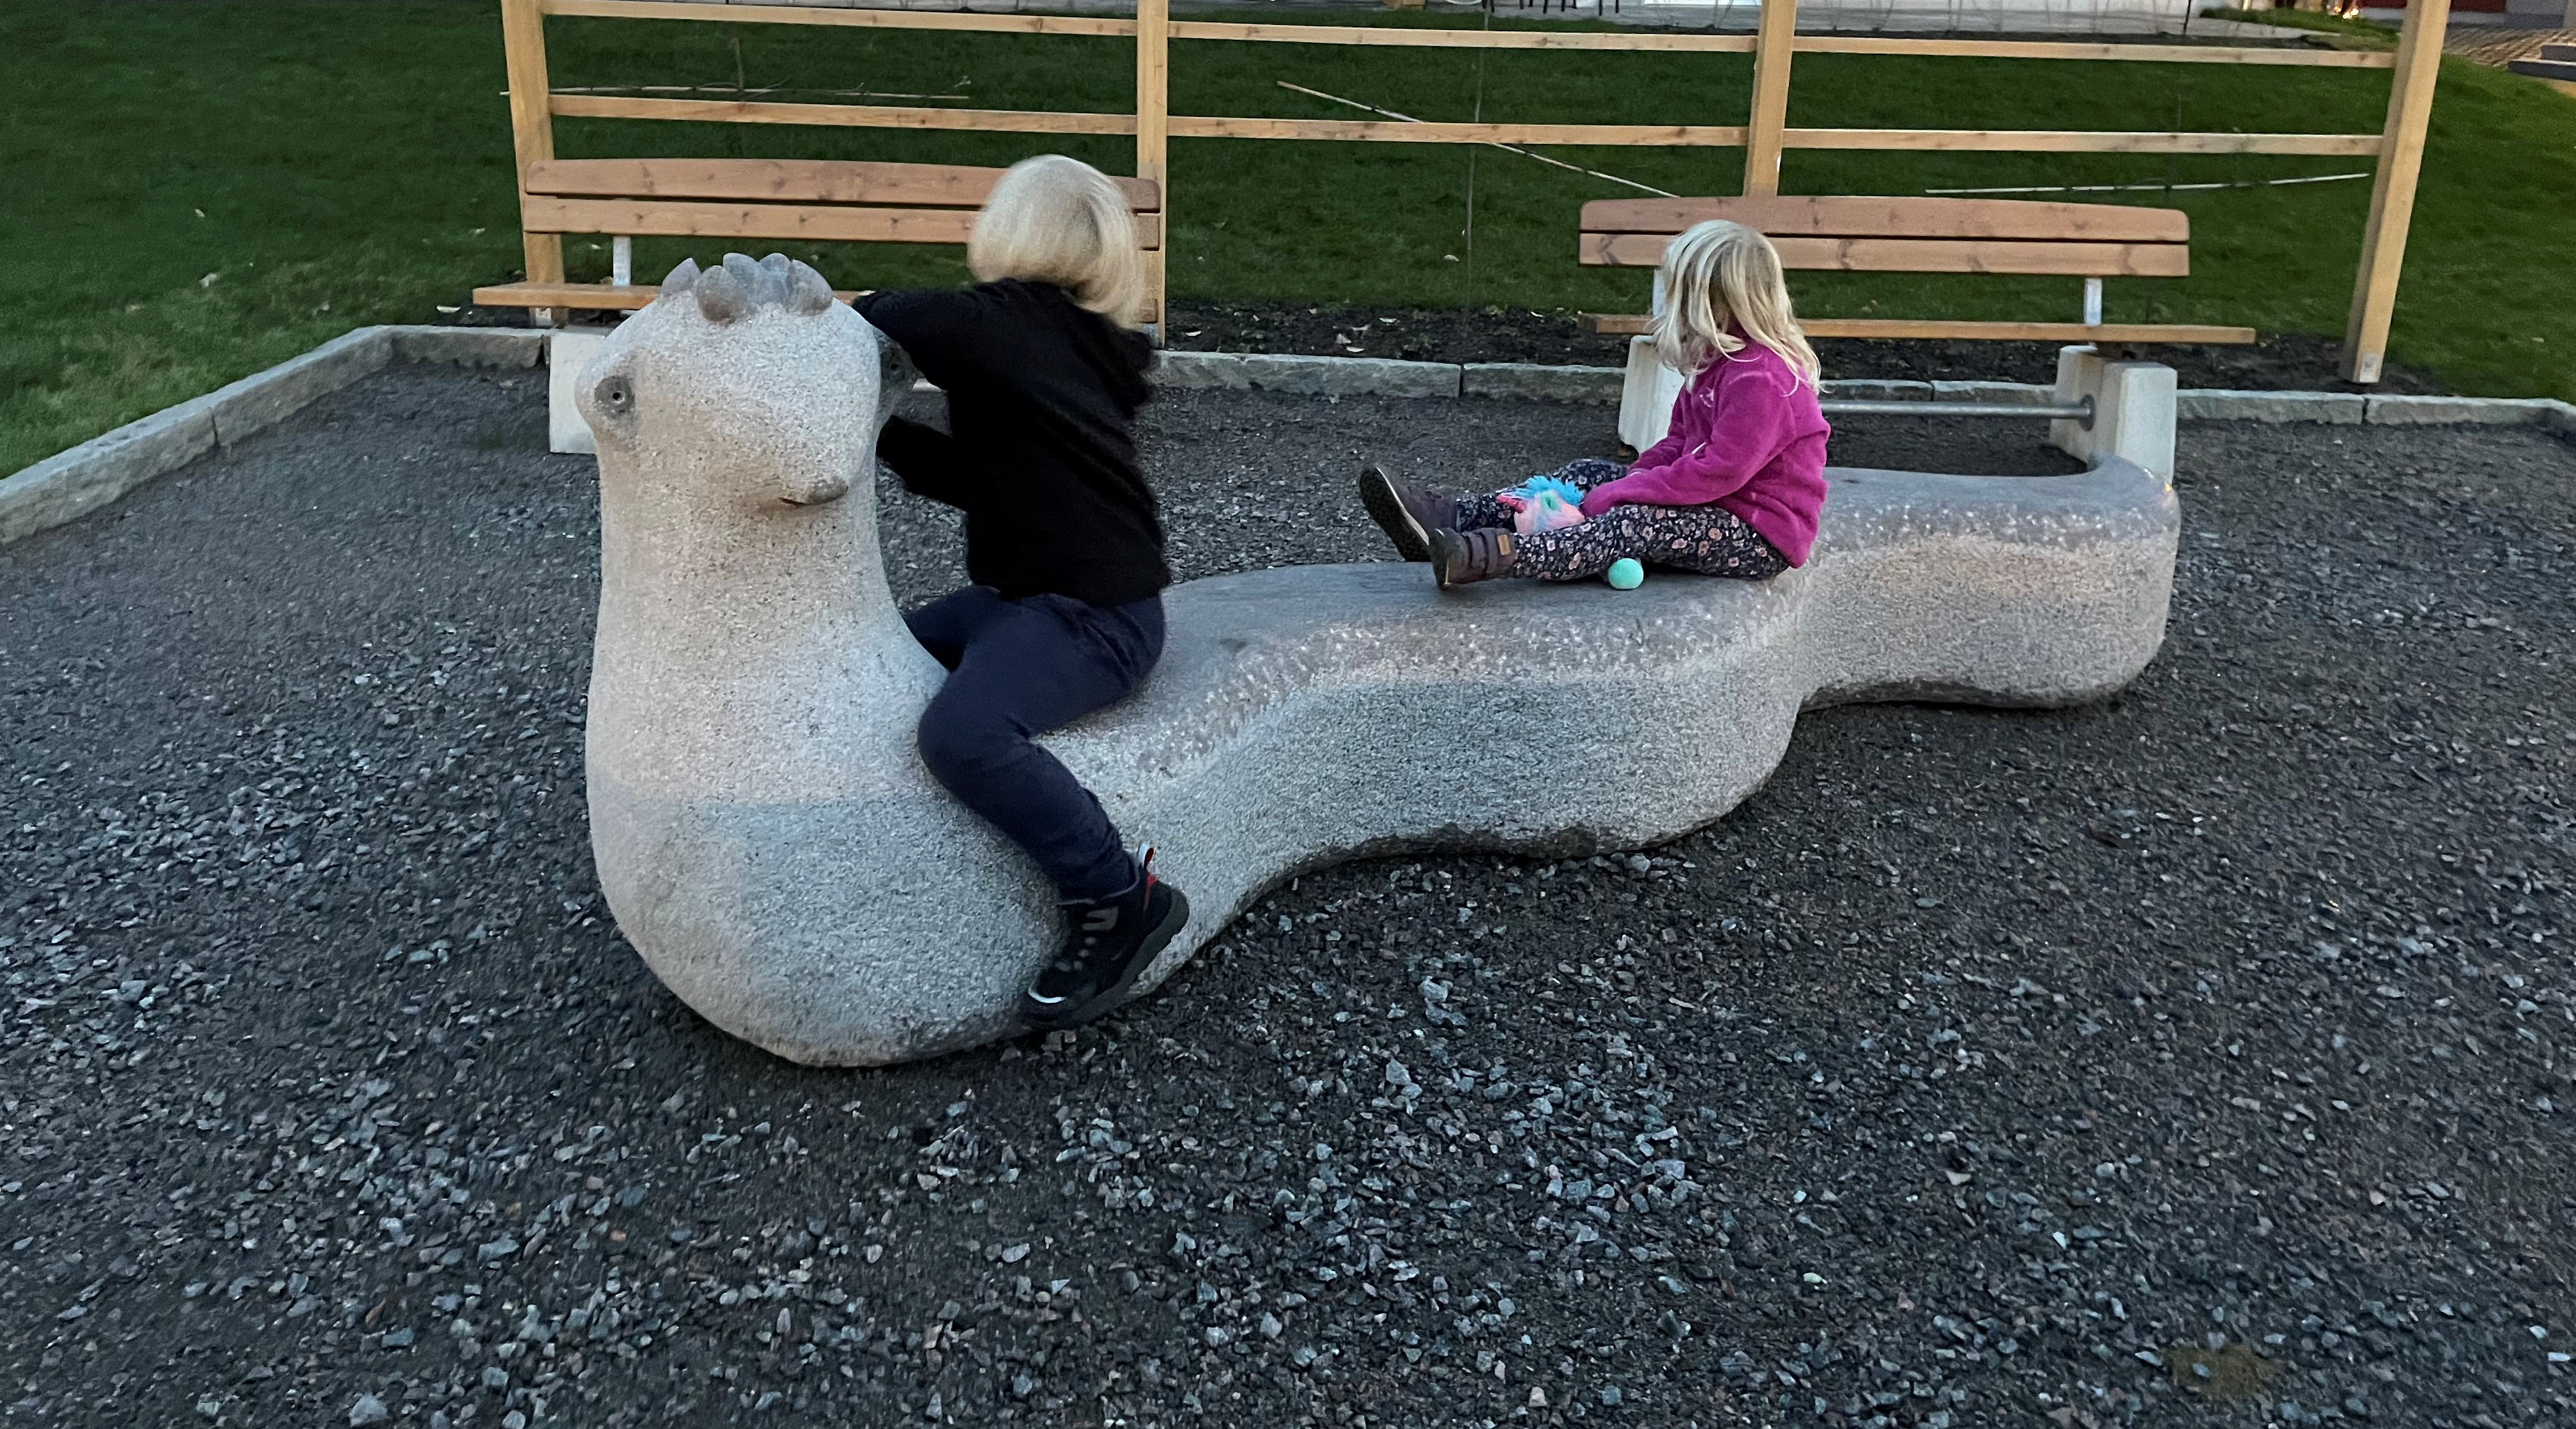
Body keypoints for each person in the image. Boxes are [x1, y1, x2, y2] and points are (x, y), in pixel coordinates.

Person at [854, 155, 1185, 1031]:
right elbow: (985, 478)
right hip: (1027, 598)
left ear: (1012, 234)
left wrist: (828, 310)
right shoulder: (1064, 345)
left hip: (1095, 621)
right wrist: (878, 434)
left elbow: (901, 315)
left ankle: (1119, 896)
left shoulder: (1010, 327)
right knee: (877, 655)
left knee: (960, 732)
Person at [1360, 220, 1830, 590]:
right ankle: (1453, 519)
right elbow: (1677, 446)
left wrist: (1626, 495)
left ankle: (1493, 556)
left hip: (1756, 533)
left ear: (1711, 302)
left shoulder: (1764, 380)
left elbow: (1718, 472)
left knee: (1634, 522)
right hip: (1710, 505)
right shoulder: (1716, 362)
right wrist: (1631, 479)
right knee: (1587, 473)